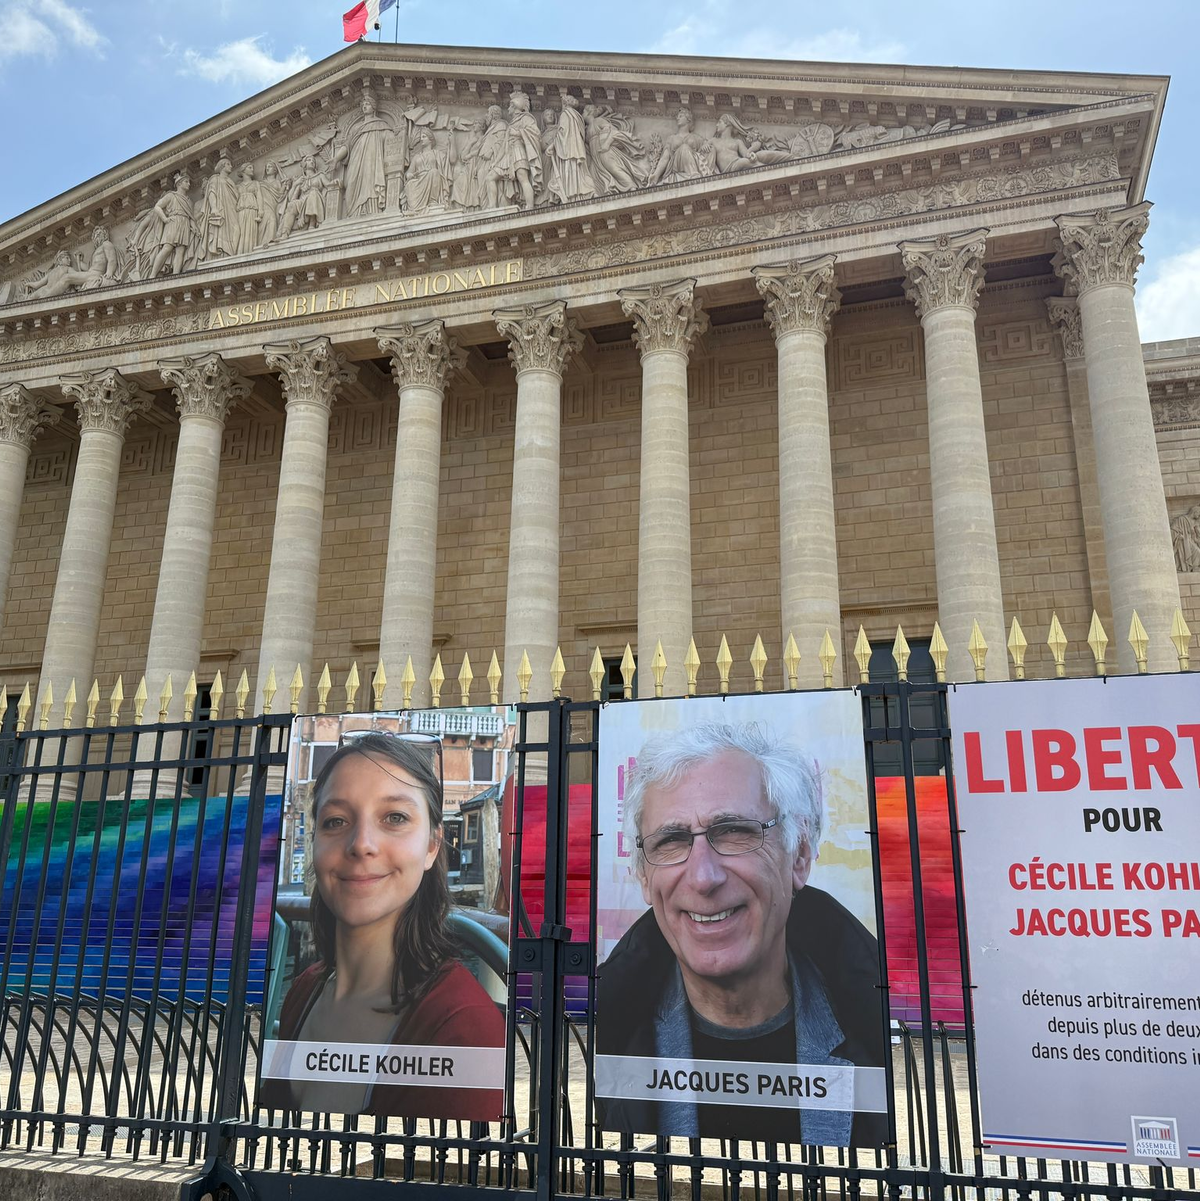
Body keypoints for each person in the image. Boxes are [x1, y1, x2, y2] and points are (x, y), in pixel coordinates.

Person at [596, 721, 885, 1146]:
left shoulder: (878, 1043)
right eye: (671, 841)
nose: (703, 877)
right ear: (643, 875)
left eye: (735, 832)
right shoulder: (608, 1044)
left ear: (800, 856)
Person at [264, 734, 504, 1118]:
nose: (362, 844)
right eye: (336, 821)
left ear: (432, 846)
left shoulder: (465, 1026)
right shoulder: (305, 989)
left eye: (395, 818)